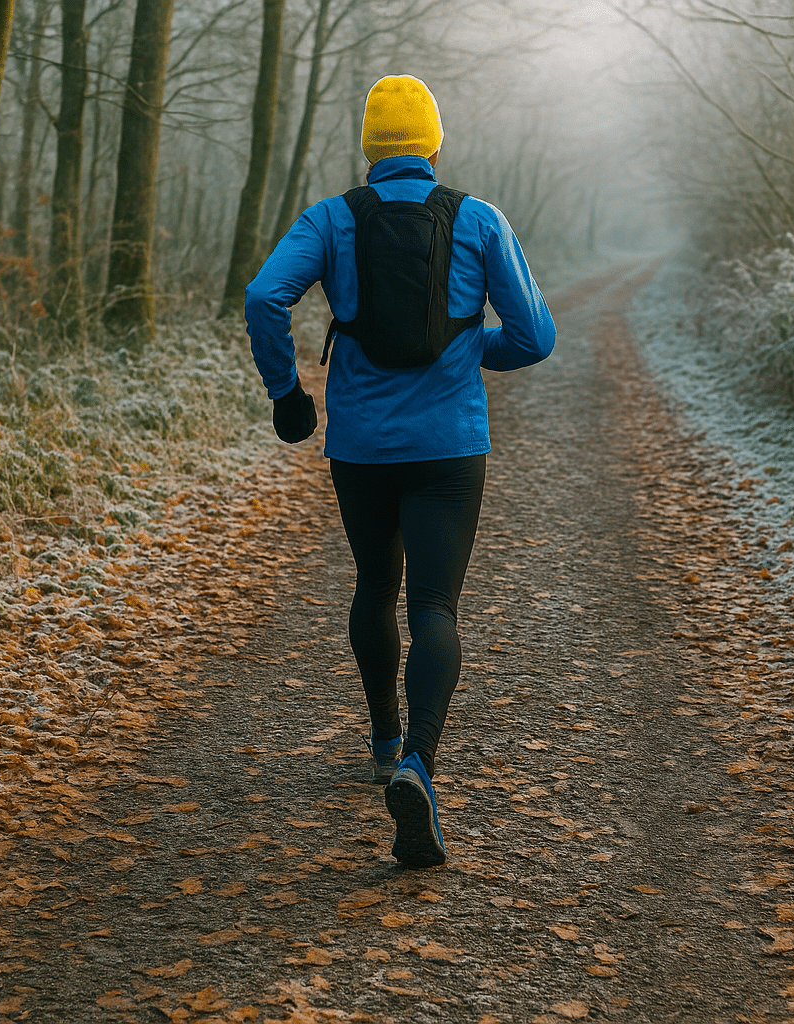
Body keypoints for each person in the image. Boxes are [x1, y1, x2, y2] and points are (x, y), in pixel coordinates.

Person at [243, 75, 555, 869]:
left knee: (375, 587)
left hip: (362, 448)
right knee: (437, 605)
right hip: (451, 444)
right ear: (435, 144)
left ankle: (384, 738)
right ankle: (419, 761)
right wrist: (468, 346)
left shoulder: (332, 219)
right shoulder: (479, 220)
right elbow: (535, 336)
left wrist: (289, 394)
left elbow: (263, 296)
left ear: (369, 149)